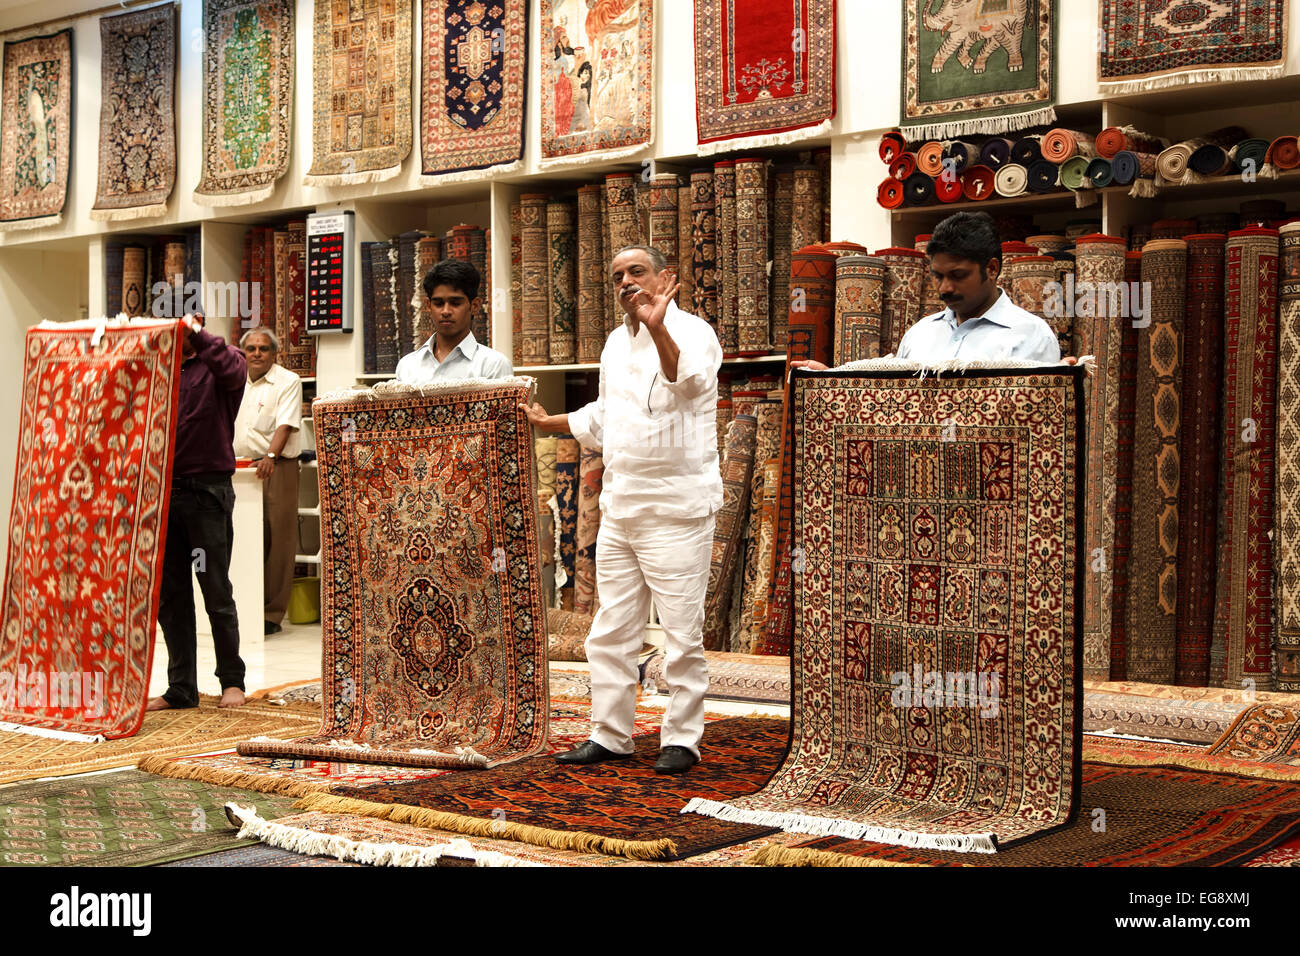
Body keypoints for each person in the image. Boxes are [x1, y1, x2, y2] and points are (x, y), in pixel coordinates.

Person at [522, 245, 722, 775]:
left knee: (682, 632)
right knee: (609, 630)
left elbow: (689, 384)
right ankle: (610, 735)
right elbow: (608, 415)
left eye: (637, 271)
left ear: (666, 277)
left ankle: (682, 739)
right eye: (617, 276)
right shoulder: (614, 343)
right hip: (622, 504)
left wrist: (658, 329)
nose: (626, 282)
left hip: (677, 507)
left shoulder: (695, 333)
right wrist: (550, 424)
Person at [794, 211, 1063, 371]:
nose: (945, 288)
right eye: (937, 276)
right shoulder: (920, 334)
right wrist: (829, 385)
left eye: (958, 275)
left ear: (992, 269)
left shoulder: (1031, 335)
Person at [147, 312, 248, 711]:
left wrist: (199, 335)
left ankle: (232, 682)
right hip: (164, 495)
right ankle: (181, 688)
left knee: (215, 589)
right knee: (171, 596)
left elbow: (232, 369)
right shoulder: (161, 371)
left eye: (180, 330)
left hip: (206, 494)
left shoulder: (223, 363)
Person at [233, 328, 303, 636]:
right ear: (243, 352)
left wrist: (271, 457)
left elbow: (286, 424)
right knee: (245, 540)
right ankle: (245, 608)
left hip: (277, 466)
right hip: (239, 470)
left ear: (275, 354)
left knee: (278, 540)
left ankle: (271, 614)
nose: (257, 353)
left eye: (263, 348)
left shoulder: (288, 381)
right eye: (251, 348)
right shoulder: (234, 381)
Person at [395, 259, 513, 384]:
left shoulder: (493, 365)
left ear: (475, 306)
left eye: (455, 303)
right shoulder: (407, 367)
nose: (446, 311)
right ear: (428, 306)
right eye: (438, 303)